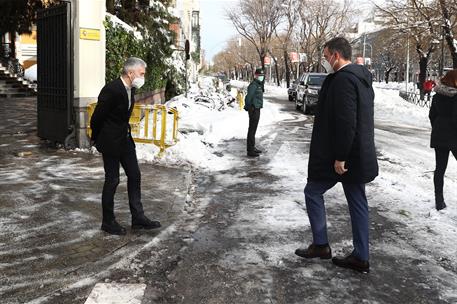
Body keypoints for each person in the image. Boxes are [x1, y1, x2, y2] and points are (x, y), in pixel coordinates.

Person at [295, 37, 378, 273]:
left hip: (341, 157)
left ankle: (321, 245)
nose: (325, 61)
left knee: (312, 191)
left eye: (325, 56)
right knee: (358, 202)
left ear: (336, 55)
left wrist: (340, 157)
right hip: (357, 153)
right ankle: (360, 256)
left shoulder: (343, 80)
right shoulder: (361, 79)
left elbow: (346, 122)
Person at [90, 57, 161, 235]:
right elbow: (97, 118)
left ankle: (138, 218)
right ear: (130, 73)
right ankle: (108, 221)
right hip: (111, 142)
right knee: (113, 180)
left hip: (125, 140)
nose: (143, 77)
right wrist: (98, 139)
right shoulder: (112, 90)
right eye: (141, 73)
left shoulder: (130, 89)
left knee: (135, 175)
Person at [428, 69, 457, 211]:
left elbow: (431, 115)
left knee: (440, 169)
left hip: (440, 135)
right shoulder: (456, 96)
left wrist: (438, 127)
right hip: (454, 136)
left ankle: (439, 201)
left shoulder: (437, 96)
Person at [244, 68, 265, 157]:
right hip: (253, 109)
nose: (261, 77)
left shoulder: (259, 85)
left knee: (254, 129)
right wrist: (248, 107)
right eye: (259, 76)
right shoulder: (253, 85)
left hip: (257, 108)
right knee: (252, 130)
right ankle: (250, 150)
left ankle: (252, 147)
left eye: (262, 76)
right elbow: (248, 97)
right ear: (255, 76)